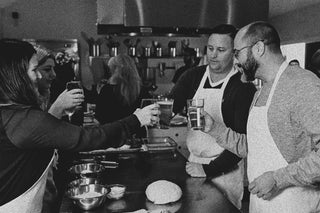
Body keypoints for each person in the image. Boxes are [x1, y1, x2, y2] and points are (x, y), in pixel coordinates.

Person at [0, 39, 159, 213]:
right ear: (15, 75)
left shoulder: (9, 112)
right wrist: (136, 119)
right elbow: (86, 138)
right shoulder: (26, 119)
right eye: (33, 70)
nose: (38, 76)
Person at [204, 21, 320, 213]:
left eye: (237, 52)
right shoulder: (262, 90)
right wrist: (213, 128)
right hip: (262, 205)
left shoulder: (303, 86)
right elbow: (254, 148)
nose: (235, 61)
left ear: (258, 48)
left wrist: (278, 178)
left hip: (295, 206)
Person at [169, 24, 256, 209]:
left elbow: (241, 142)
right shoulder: (192, 76)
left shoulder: (243, 87)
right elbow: (172, 106)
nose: (213, 55)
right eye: (210, 48)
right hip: (194, 163)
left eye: (221, 50)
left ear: (234, 53)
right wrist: (164, 111)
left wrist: (208, 169)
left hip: (225, 171)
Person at [95, 54, 148, 137]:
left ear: (114, 70)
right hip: (138, 136)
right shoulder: (143, 90)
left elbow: (100, 117)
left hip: (113, 136)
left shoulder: (107, 90)